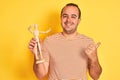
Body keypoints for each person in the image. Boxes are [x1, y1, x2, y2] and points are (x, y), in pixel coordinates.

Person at [28, 3, 102, 80]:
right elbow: (40, 75)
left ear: (78, 21)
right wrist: (37, 55)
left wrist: (94, 59)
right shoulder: (49, 41)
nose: (68, 20)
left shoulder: (88, 42)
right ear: (61, 18)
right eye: (65, 16)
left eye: (73, 16)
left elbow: (96, 76)